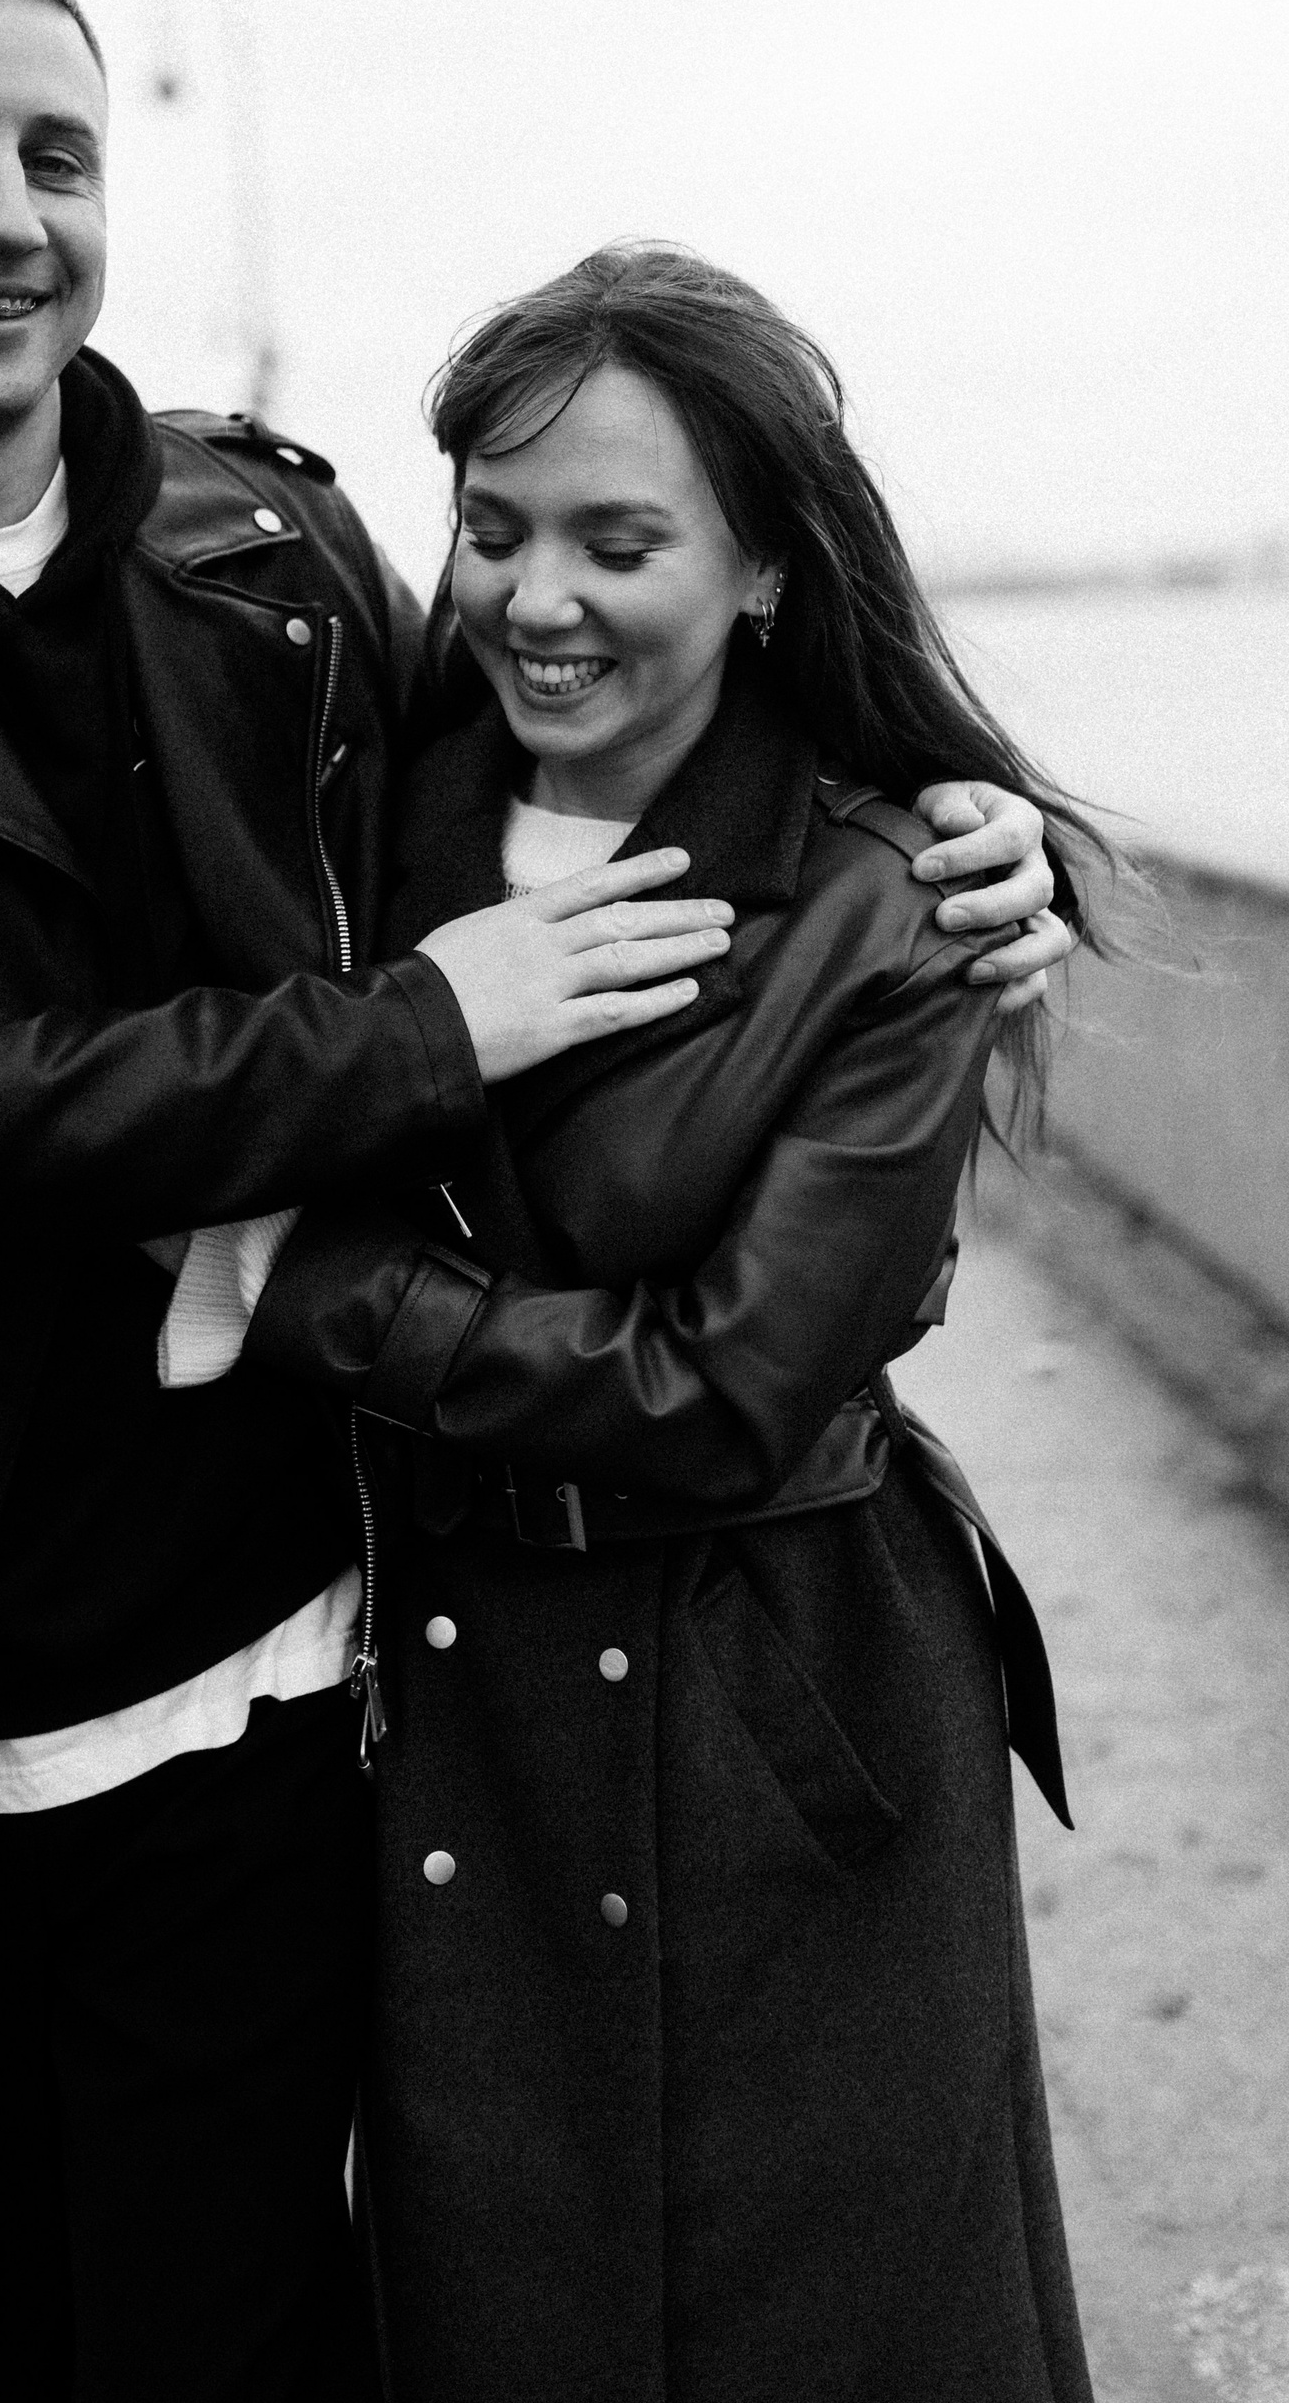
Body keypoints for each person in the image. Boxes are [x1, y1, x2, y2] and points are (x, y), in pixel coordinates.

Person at [0, 0, 1069, 2401]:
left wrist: (951, 834)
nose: (2, 213)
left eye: (58, 154)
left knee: (293, 2343)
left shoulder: (270, 556)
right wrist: (419, 1035)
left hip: (276, 1676)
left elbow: (592, 731)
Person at [245, 245, 1098, 2402]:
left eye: (619, 544)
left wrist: (321, 1294)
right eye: (494, 527)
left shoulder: (890, 896)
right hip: (457, 1704)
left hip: (780, 1700)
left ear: (765, 572)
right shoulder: (359, 820)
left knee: (844, 2316)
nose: (537, 597)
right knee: (504, 2308)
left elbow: (729, 1391)